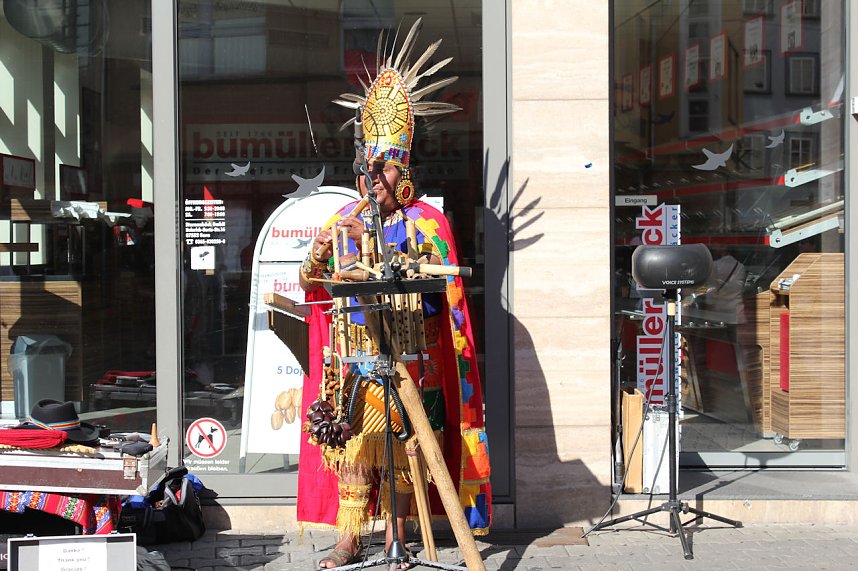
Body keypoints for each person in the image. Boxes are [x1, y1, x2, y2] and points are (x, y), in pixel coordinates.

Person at [295, 19, 491, 569]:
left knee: (406, 456)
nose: (372, 182)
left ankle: (395, 538)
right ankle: (349, 537)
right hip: (355, 354)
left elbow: (443, 287)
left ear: (401, 171)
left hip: (412, 356)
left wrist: (394, 258)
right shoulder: (344, 217)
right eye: (367, 172)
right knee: (355, 450)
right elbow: (309, 281)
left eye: (382, 172)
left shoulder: (427, 221)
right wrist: (325, 250)